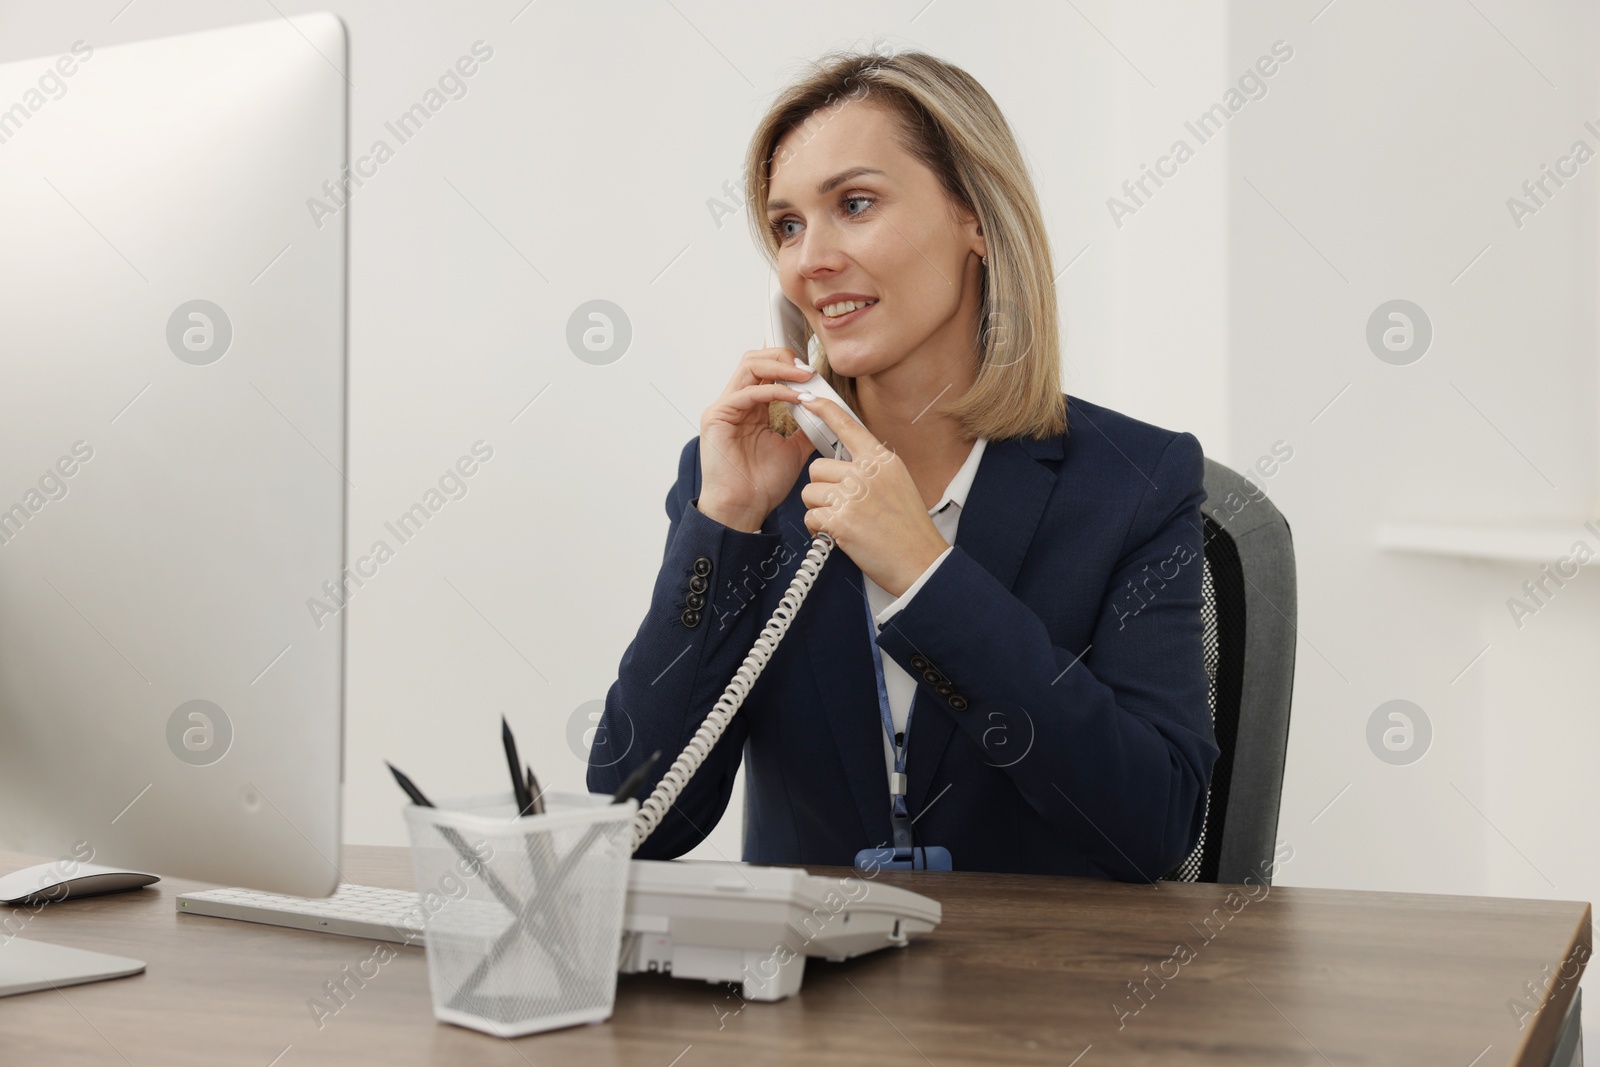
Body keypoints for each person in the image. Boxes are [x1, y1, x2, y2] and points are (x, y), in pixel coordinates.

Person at [587, 49, 1218, 881]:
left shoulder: (1137, 483)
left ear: (976, 220)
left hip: (1041, 996)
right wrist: (725, 526)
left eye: (854, 204)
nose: (811, 258)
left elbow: (1155, 828)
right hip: (810, 999)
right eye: (787, 225)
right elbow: (634, 822)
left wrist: (929, 577)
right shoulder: (748, 479)